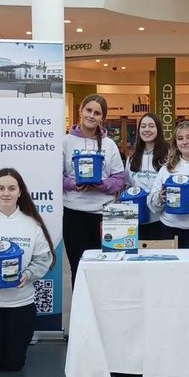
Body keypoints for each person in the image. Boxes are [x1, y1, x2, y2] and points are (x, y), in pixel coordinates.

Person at [0, 168, 54, 373]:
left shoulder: (32, 225)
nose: (6, 193)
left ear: (20, 192)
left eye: (12, 188)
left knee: (14, 365)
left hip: (20, 303)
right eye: (1, 188)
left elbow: (43, 259)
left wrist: (29, 274)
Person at [62, 94, 126, 281]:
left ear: (102, 118)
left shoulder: (109, 144)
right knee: (78, 267)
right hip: (75, 215)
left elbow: (119, 178)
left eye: (97, 113)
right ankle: (81, 310)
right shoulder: (65, 141)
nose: (92, 115)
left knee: (106, 268)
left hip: (104, 215)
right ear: (81, 111)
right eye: (88, 110)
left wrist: (103, 185)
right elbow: (56, 176)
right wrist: (72, 184)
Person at [148, 120, 189, 248]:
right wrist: (159, 197)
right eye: (180, 138)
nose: (185, 142)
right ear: (175, 143)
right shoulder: (166, 168)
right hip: (169, 229)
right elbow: (151, 201)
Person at [126, 112, 169, 241]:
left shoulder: (169, 155)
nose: (147, 129)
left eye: (151, 126)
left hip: (160, 219)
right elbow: (128, 185)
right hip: (136, 220)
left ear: (158, 129)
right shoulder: (132, 157)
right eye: (143, 126)